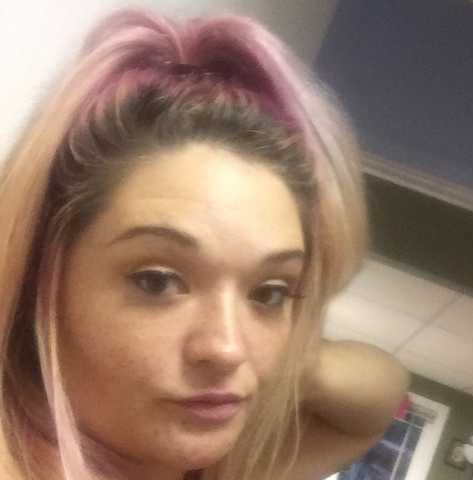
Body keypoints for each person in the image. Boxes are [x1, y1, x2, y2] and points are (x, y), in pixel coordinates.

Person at [0, 8, 409, 480]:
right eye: (157, 281)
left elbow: (382, 394)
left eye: (269, 292)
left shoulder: (215, 467)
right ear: (39, 273)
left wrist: (287, 367)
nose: (227, 347)